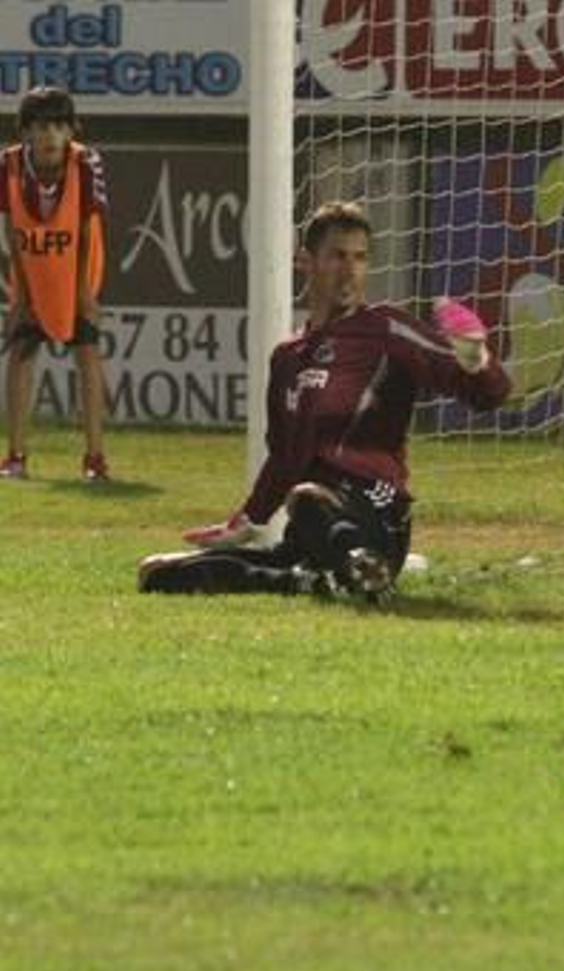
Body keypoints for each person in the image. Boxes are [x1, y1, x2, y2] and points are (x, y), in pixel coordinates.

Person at [138, 201, 511, 602]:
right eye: (337, 256)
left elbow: (490, 395)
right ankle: (325, 578)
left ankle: (362, 567)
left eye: (360, 257)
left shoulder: (387, 329)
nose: (350, 269)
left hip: (376, 507)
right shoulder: (287, 356)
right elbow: (283, 457)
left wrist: (476, 359)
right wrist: (246, 521)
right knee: (158, 574)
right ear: (306, 261)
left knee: (307, 498)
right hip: (311, 522)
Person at [1, 86, 111, 481]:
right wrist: (19, 294)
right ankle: (15, 456)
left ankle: (94, 459)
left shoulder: (86, 163)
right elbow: (12, 230)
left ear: (71, 130)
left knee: (87, 356)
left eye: (59, 126)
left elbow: (86, 228)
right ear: (25, 132)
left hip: (77, 273)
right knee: (21, 356)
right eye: (40, 126)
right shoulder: (9, 165)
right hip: (34, 274)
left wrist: (83, 293)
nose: (50, 135)